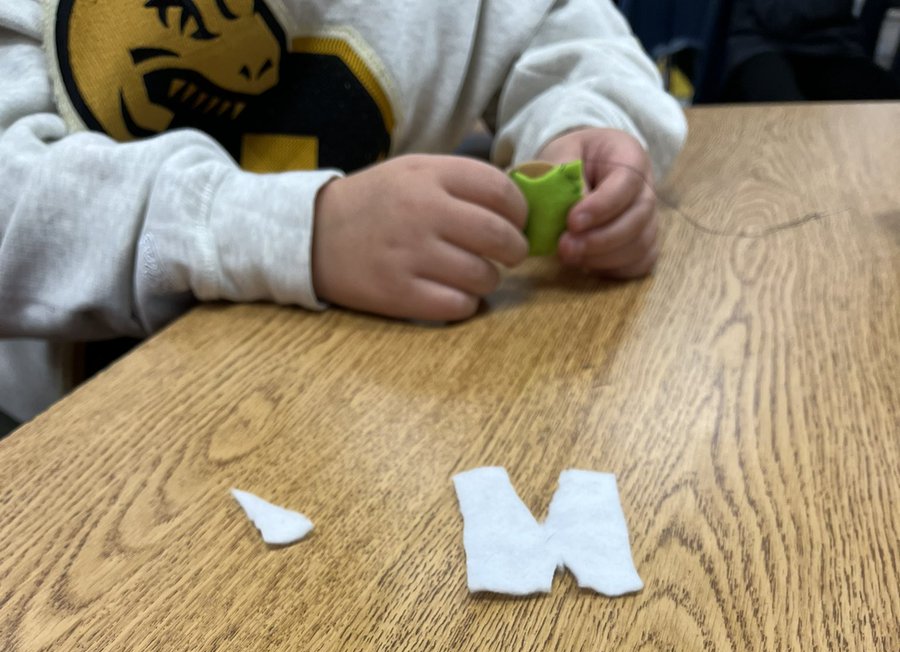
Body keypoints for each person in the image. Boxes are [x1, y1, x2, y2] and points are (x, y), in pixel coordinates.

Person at [0, 0, 686, 424]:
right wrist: (303, 232)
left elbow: (574, 34)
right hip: (70, 446)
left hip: (358, 416)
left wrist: (582, 124)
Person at [721, 0, 900, 101]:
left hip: (830, 43)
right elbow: (779, 17)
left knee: (887, 106)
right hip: (757, 42)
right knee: (790, 119)